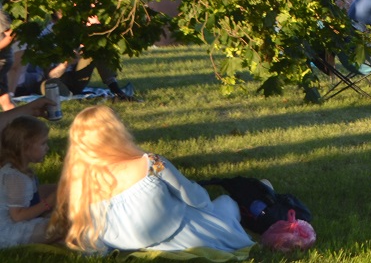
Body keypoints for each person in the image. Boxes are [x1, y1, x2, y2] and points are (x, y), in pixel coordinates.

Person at [51, 106, 253, 255]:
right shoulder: (150, 163)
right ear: (117, 132)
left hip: (122, 242)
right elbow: (198, 200)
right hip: (182, 235)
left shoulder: (79, 183)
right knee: (226, 203)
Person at [0, 115, 54, 247]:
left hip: (16, 224)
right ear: (25, 147)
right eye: (43, 143)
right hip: (9, 232)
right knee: (63, 226)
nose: (47, 148)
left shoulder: (20, 170)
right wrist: (49, 202)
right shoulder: (16, 177)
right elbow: (18, 216)